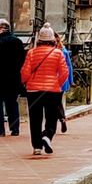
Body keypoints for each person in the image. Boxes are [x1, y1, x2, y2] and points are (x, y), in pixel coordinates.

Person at [21, 23, 68, 156]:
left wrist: (26, 82)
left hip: (33, 90)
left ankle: (36, 146)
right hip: (52, 90)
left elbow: (25, 72)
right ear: (52, 39)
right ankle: (47, 136)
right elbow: (64, 72)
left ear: (39, 39)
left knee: (35, 118)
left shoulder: (31, 53)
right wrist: (56, 83)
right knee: (51, 117)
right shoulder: (58, 53)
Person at [0, 18, 25, 137]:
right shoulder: (18, 42)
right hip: (14, 78)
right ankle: (15, 128)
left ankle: (0, 130)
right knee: (13, 104)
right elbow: (22, 61)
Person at [55, 33, 73, 134]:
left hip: (54, 80)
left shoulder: (56, 52)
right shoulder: (64, 51)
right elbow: (69, 66)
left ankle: (60, 118)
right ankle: (62, 118)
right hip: (63, 81)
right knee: (58, 101)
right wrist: (70, 80)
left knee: (54, 102)